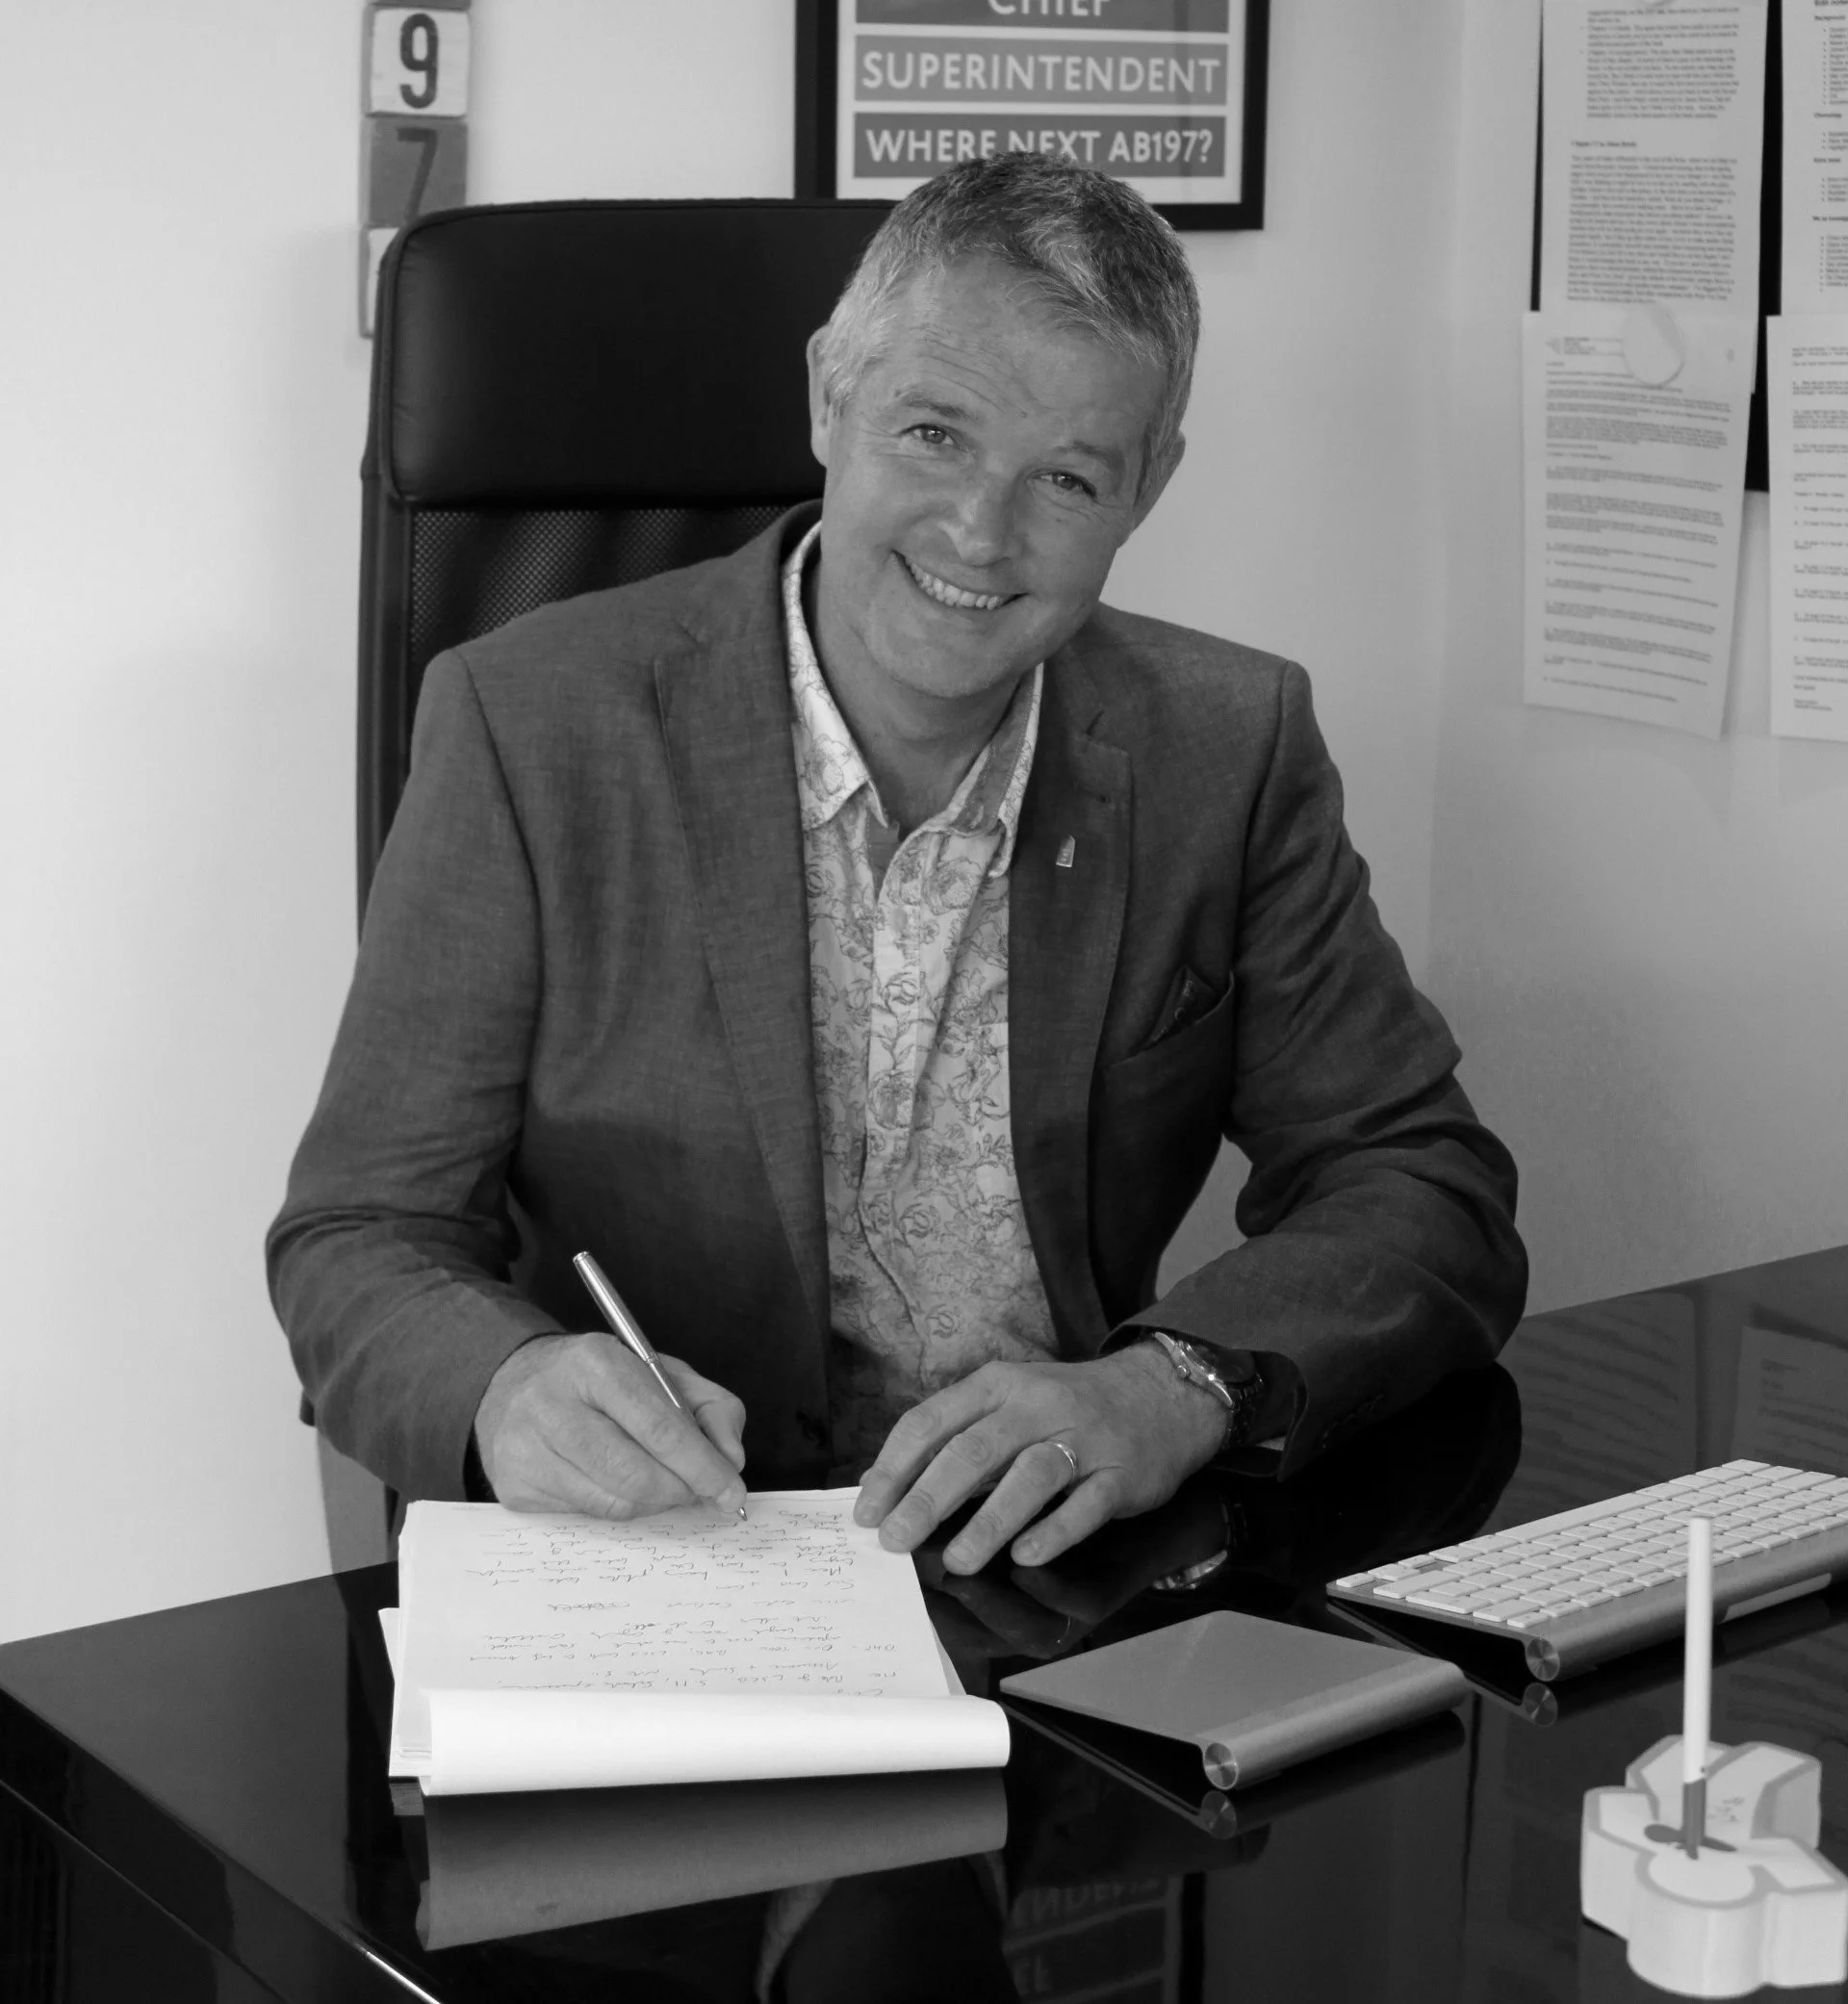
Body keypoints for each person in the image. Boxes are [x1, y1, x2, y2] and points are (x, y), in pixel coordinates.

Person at [269, 158, 1525, 1581]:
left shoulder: (1225, 749)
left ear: (1150, 487)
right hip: (674, 1560)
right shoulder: (531, 726)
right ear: (829, 396)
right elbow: (358, 1236)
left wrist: (1171, 1387)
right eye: (934, 433)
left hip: (1046, 1565)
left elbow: (1424, 1185)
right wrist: (505, 1389)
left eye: (1067, 478)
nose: (980, 535)